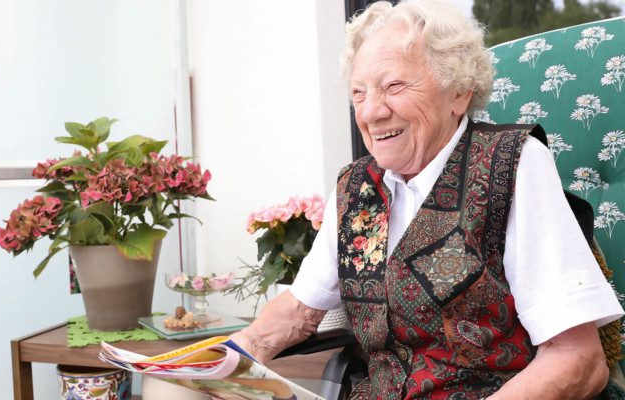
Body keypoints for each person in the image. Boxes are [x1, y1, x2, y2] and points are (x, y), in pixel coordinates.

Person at [230, 0, 625, 398]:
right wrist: (229, 357)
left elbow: (579, 360)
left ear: (458, 92)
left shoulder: (512, 163)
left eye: (393, 87)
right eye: (359, 93)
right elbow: (299, 310)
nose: (371, 113)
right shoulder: (356, 187)